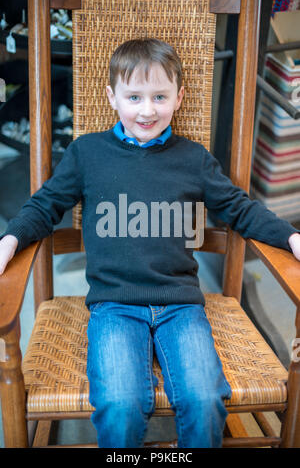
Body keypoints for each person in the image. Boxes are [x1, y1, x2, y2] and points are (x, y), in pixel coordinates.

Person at [0, 38, 300, 448]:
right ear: (112, 97)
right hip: (114, 304)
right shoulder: (87, 153)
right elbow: (46, 205)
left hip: (181, 304)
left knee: (203, 398)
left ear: (179, 97)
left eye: (159, 96)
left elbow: (239, 209)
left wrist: (292, 236)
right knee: (121, 405)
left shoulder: (193, 159)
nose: (147, 109)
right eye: (134, 96)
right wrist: (10, 239)